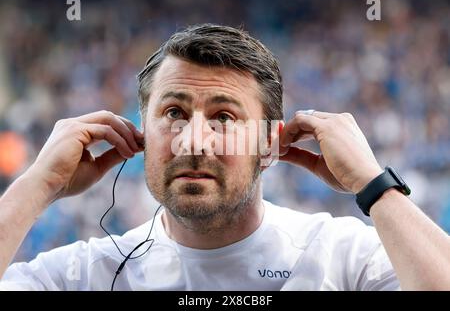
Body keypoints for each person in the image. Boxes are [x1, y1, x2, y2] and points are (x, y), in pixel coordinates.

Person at [0, 24, 449, 291]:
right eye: (173, 113)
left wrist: (373, 184)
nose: (195, 140)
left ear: (269, 145)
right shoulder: (85, 275)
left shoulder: (343, 259)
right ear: (140, 133)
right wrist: (37, 185)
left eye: (224, 118)